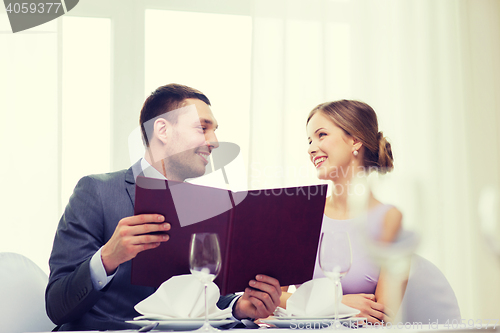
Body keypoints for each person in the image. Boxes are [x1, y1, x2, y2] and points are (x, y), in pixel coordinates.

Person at [46, 84, 282, 331]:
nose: (214, 142)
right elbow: (57, 306)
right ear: (162, 130)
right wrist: (107, 258)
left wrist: (239, 306)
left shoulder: (207, 205)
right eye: (203, 128)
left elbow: (205, 293)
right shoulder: (97, 192)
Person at [280, 100, 402, 324]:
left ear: (355, 140)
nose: (310, 148)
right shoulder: (300, 214)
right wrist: (335, 305)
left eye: (321, 135)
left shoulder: (390, 219)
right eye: (309, 140)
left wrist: (307, 305)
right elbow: (269, 298)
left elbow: (381, 314)